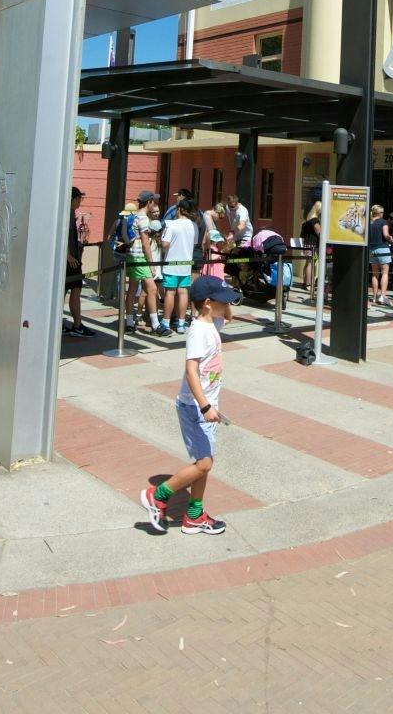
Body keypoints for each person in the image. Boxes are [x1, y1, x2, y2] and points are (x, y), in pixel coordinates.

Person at [138, 274, 238, 536]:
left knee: (202, 463)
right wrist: (205, 405)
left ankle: (194, 515)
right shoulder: (199, 332)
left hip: (208, 407)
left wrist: (226, 296)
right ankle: (157, 495)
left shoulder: (213, 322)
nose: (225, 305)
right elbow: (191, 371)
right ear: (207, 303)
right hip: (195, 407)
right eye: (220, 300)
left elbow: (228, 316)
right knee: (204, 463)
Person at [161, 197, 200, 334]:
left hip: (171, 264)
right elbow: (194, 244)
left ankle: (166, 322)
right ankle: (181, 323)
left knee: (170, 293)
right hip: (186, 264)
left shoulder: (171, 224)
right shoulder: (194, 226)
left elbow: (165, 244)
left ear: (179, 209)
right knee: (183, 292)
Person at [64, 187, 96, 337]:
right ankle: (77, 325)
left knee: (68, 291)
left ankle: (68, 324)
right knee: (75, 291)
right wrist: (68, 255)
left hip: (73, 259)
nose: (80, 202)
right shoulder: (66, 214)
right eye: (80, 199)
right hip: (70, 262)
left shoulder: (70, 213)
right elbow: (61, 236)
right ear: (74, 199)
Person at [137, 193, 168, 334]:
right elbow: (145, 244)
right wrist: (151, 265)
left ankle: (148, 318)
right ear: (148, 202)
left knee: (149, 291)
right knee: (147, 291)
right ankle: (142, 317)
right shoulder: (143, 220)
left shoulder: (142, 218)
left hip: (151, 266)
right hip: (147, 264)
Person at [368, 204, 393, 305]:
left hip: (372, 250)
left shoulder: (369, 222)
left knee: (375, 274)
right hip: (382, 248)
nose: (383, 214)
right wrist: (391, 239)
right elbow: (386, 235)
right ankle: (382, 296)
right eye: (382, 212)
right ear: (378, 213)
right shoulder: (383, 222)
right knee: (385, 273)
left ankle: (374, 297)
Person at [300, 199, 322, 291]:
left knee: (307, 263)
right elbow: (319, 233)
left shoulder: (307, 220)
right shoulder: (315, 220)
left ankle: (305, 282)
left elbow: (302, 234)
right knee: (311, 264)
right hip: (313, 245)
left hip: (306, 244)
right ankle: (308, 284)